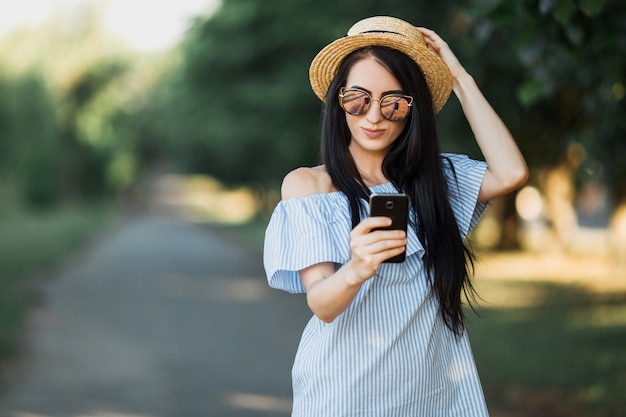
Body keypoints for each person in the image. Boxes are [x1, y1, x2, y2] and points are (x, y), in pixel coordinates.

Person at [263, 16, 528, 416]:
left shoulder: (436, 181)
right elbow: (322, 303)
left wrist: (457, 77)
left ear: (412, 109)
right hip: (346, 393)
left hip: (436, 390)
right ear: (338, 100)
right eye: (358, 98)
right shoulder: (309, 186)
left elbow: (511, 172)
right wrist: (357, 267)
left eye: (394, 102)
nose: (373, 117)